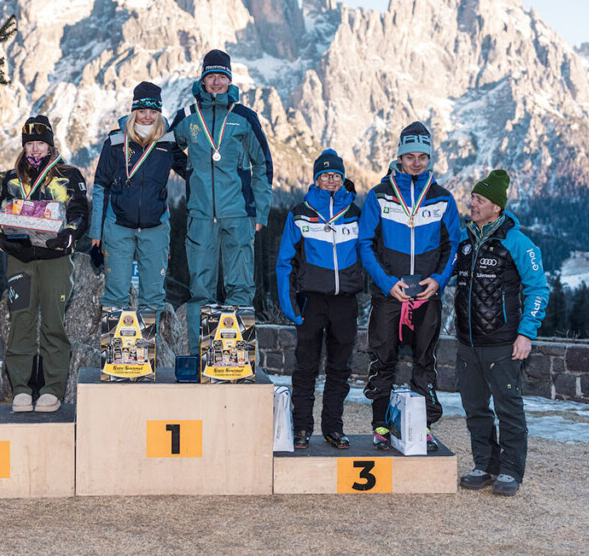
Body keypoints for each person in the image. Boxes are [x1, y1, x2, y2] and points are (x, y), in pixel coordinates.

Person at [357, 121, 460, 451]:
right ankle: (381, 426)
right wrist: (388, 284)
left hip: (427, 293)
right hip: (390, 293)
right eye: (410, 156)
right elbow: (364, 245)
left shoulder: (443, 198)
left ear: (430, 159)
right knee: (383, 360)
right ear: (399, 157)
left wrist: (439, 280)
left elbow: (454, 245)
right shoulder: (379, 195)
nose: (416, 162)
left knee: (424, 362)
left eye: (422, 157)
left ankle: (423, 426)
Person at [170, 50, 273, 351]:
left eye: (222, 76)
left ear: (230, 80)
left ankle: (236, 358)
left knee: (240, 288)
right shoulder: (188, 117)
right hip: (199, 216)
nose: (216, 82)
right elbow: (166, 148)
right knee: (200, 290)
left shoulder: (244, 118)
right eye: (211, 76)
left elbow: (263, 164)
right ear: (202, 79)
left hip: (239, 215)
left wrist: (260, 214)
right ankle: (196, 357)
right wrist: (189, 172)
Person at [455, 169, 548, 496]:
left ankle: (510, 471)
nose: (472, 203)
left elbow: (538, 289)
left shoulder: (518, 242)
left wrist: (526, 333)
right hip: (467, 343)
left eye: (479, 199)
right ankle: (484, 465)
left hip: (503, 345)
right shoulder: (464, 238)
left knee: (509, 408)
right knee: (475, 409)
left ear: (497, 206)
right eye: (473, 197)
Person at [0, 116, 89, 414]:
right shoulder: (11, 178)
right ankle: (21, 388)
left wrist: (71, 233)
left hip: (55, 259)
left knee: (53, 322)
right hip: (20, 259)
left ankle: (52, 387)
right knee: (21, 320)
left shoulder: (69, 175)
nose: (35, 149)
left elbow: (81, 210)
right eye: (30, 144)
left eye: (40, 143)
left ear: (50, 144)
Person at [275, 150, 364, 450]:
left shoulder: (355, 213)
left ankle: (333, 428)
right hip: (311, 301)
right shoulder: (300, 212)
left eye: (336, 176)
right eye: (325, 176)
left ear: (342, 179)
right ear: (316, 179)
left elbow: (369, 252)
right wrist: (290, 306)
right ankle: (301, 428)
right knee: (306, 368)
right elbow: (284, 262)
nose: (331, 181)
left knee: (340, 369)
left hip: (344, 302)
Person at [90, 81, 186, 316]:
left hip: (156, 226)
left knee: (153, 296)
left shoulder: (168, 142)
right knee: (116, 294)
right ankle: (116, 347)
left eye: (153, 111)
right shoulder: (115, 141)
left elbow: (193, 172)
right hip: (118, 225)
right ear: (133, 111)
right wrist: (96, 235)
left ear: (159, 112)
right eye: (142, 111)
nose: (147, 117)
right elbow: (101, 186)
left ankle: (147, 349)